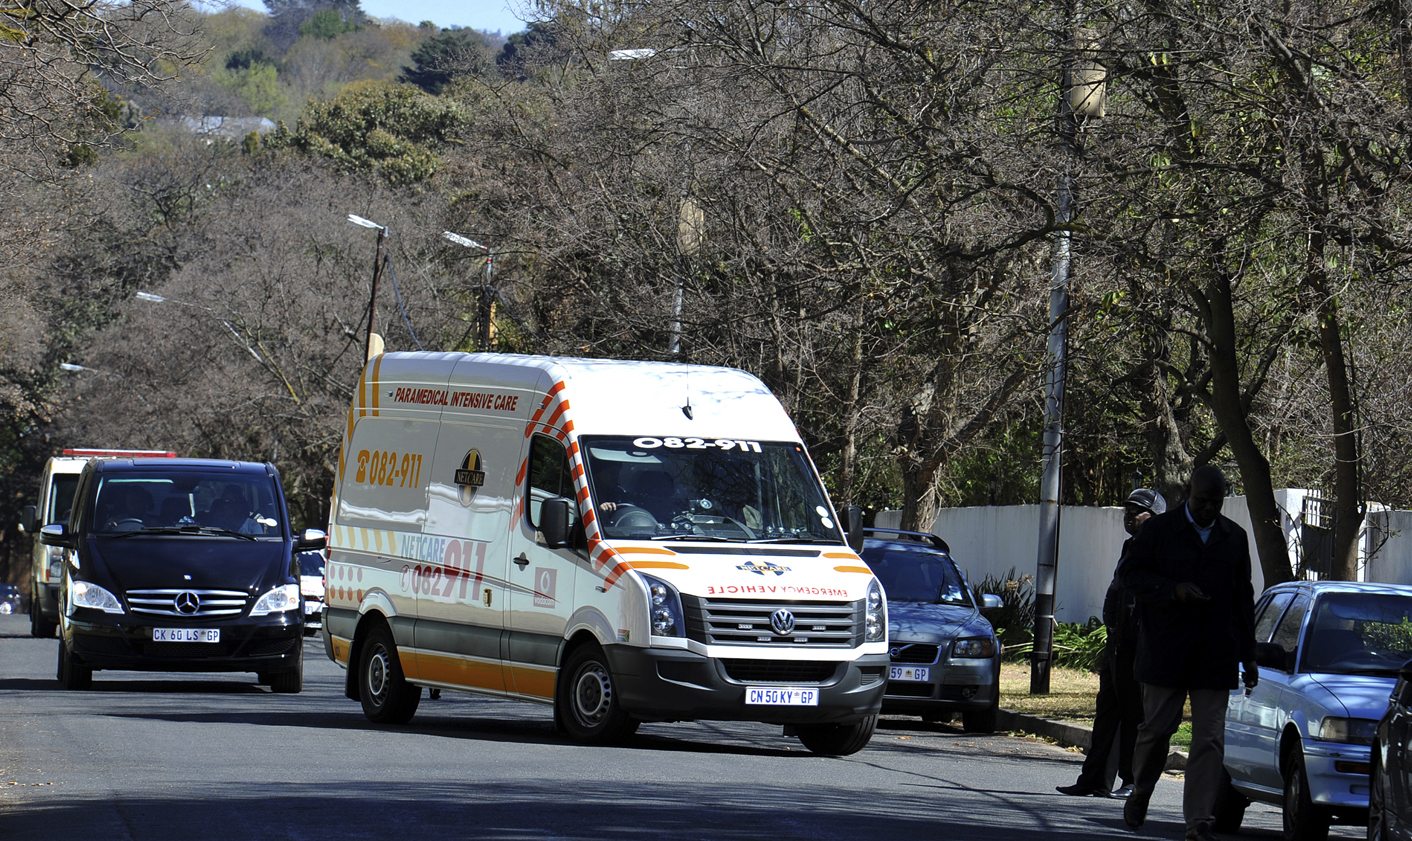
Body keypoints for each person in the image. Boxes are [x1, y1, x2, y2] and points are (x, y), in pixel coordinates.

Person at [1117, 465, 1258, 841]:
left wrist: (1250, 653)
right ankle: (1141, 791)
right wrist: (1172, 590)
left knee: (1210, 738)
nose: (1209, 509)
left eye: (1216, 503)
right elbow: (1131, 577)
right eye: (1202, 501)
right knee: (1157, 730)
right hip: (1166, 650)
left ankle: (1199, 820)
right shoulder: (1159, 532)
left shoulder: (1234, 537)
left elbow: (1244, 598)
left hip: (1216, 652)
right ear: (1188, 496)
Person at [1056, 487, 1166, 799]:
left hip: (1142, 647)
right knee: (1107, 712)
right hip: (1118, 643)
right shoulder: (1130, 547)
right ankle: (1094, 779)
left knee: (1135, 714)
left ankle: (1131, 779)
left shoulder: (1162, 549)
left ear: (1155, 516)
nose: (1130, 517)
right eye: (1127, 511)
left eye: (1138, 511)